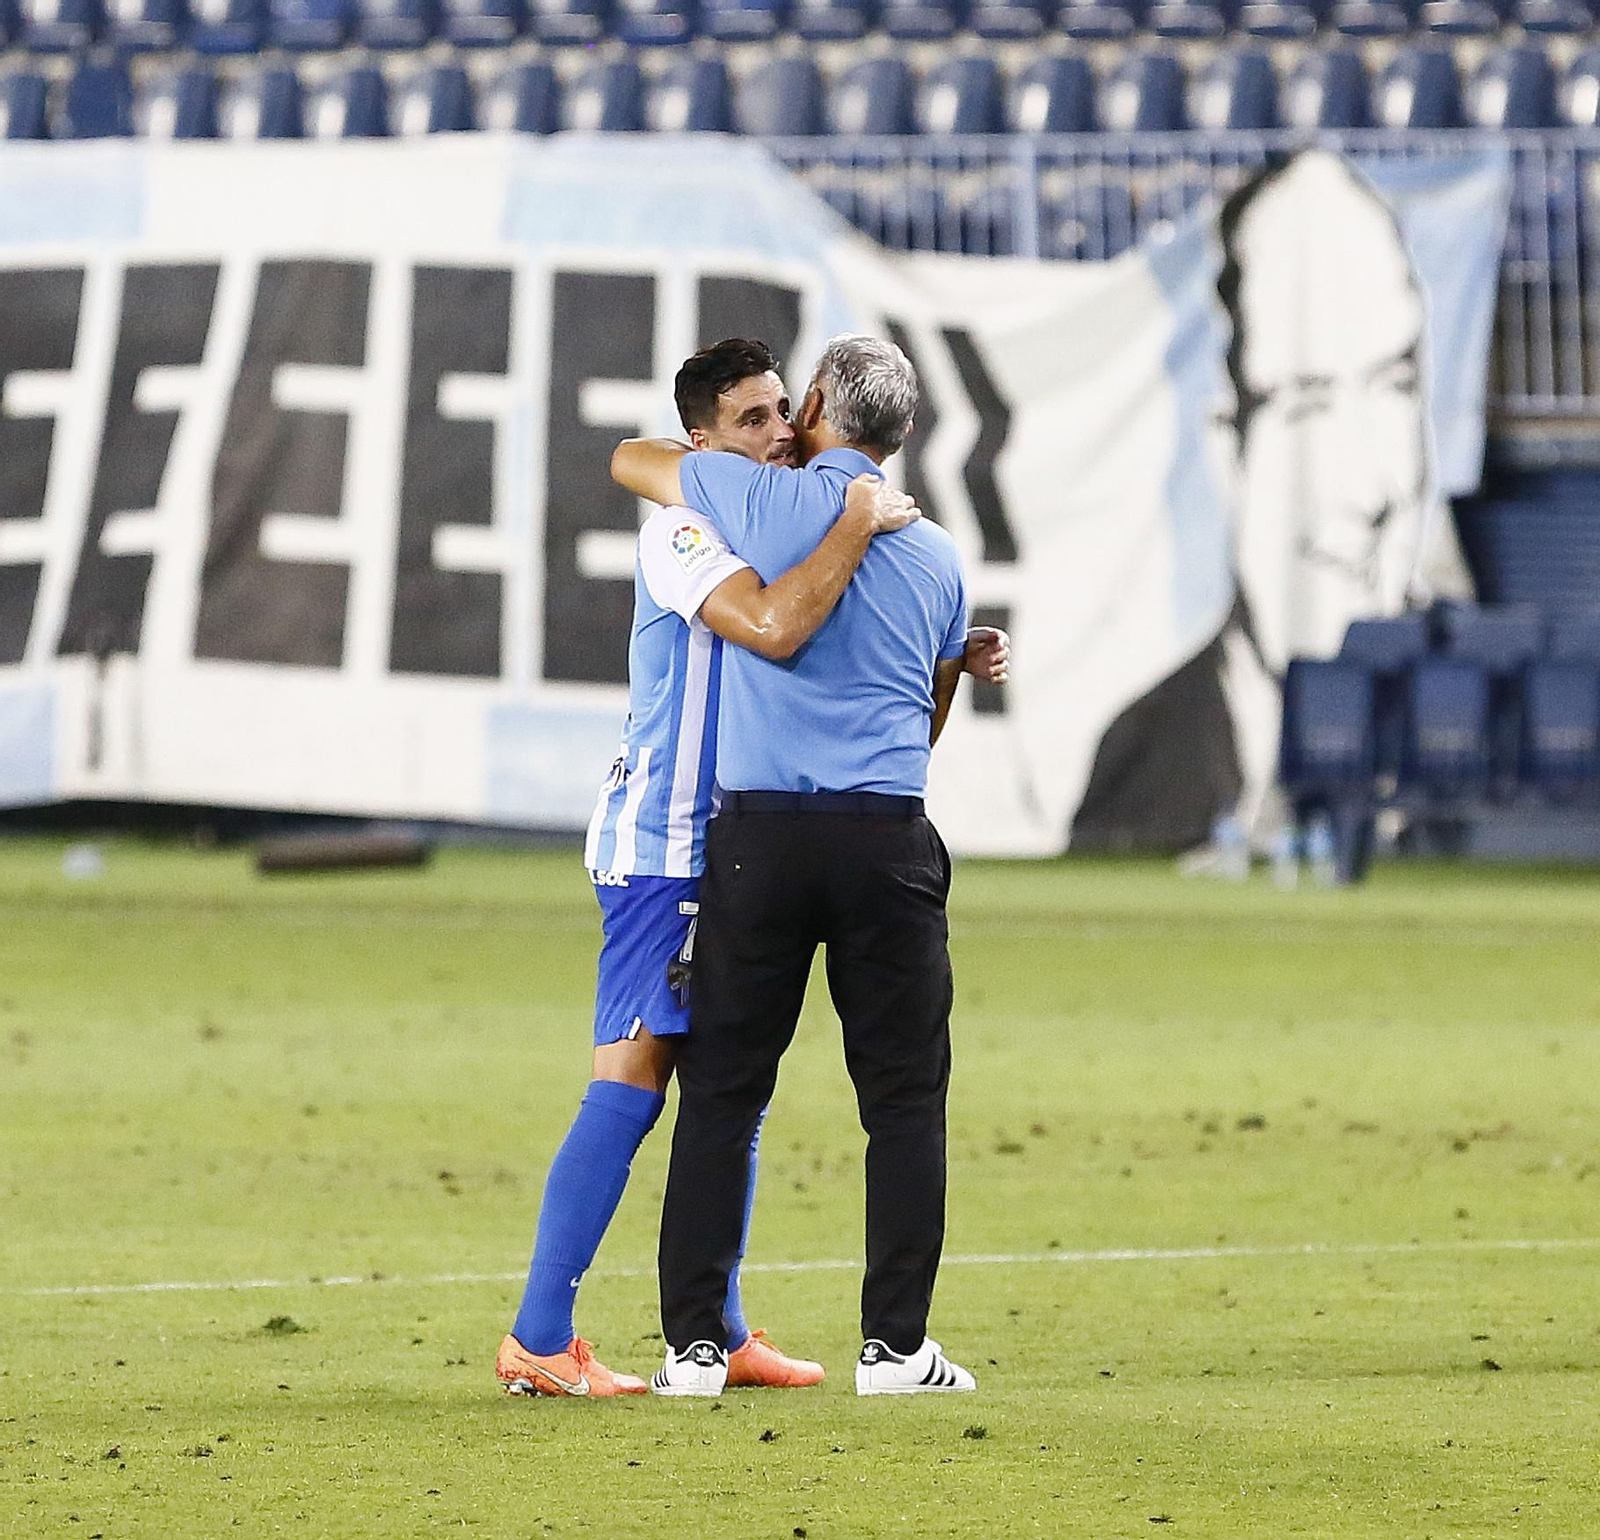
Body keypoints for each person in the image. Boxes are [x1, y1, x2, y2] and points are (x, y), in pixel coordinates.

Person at [498, 338, 1006, 1399]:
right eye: (750, 421)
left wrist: (946, 649)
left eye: (785, 411)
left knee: (726, 1088)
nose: (777, 432)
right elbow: (774, 627)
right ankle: (540, 1334)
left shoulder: (777, 516)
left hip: (730, 840)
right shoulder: (689, 529)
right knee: (635, 1084)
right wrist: (862, 518)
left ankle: (717, 1328)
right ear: (705, 444)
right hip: (666, 842)